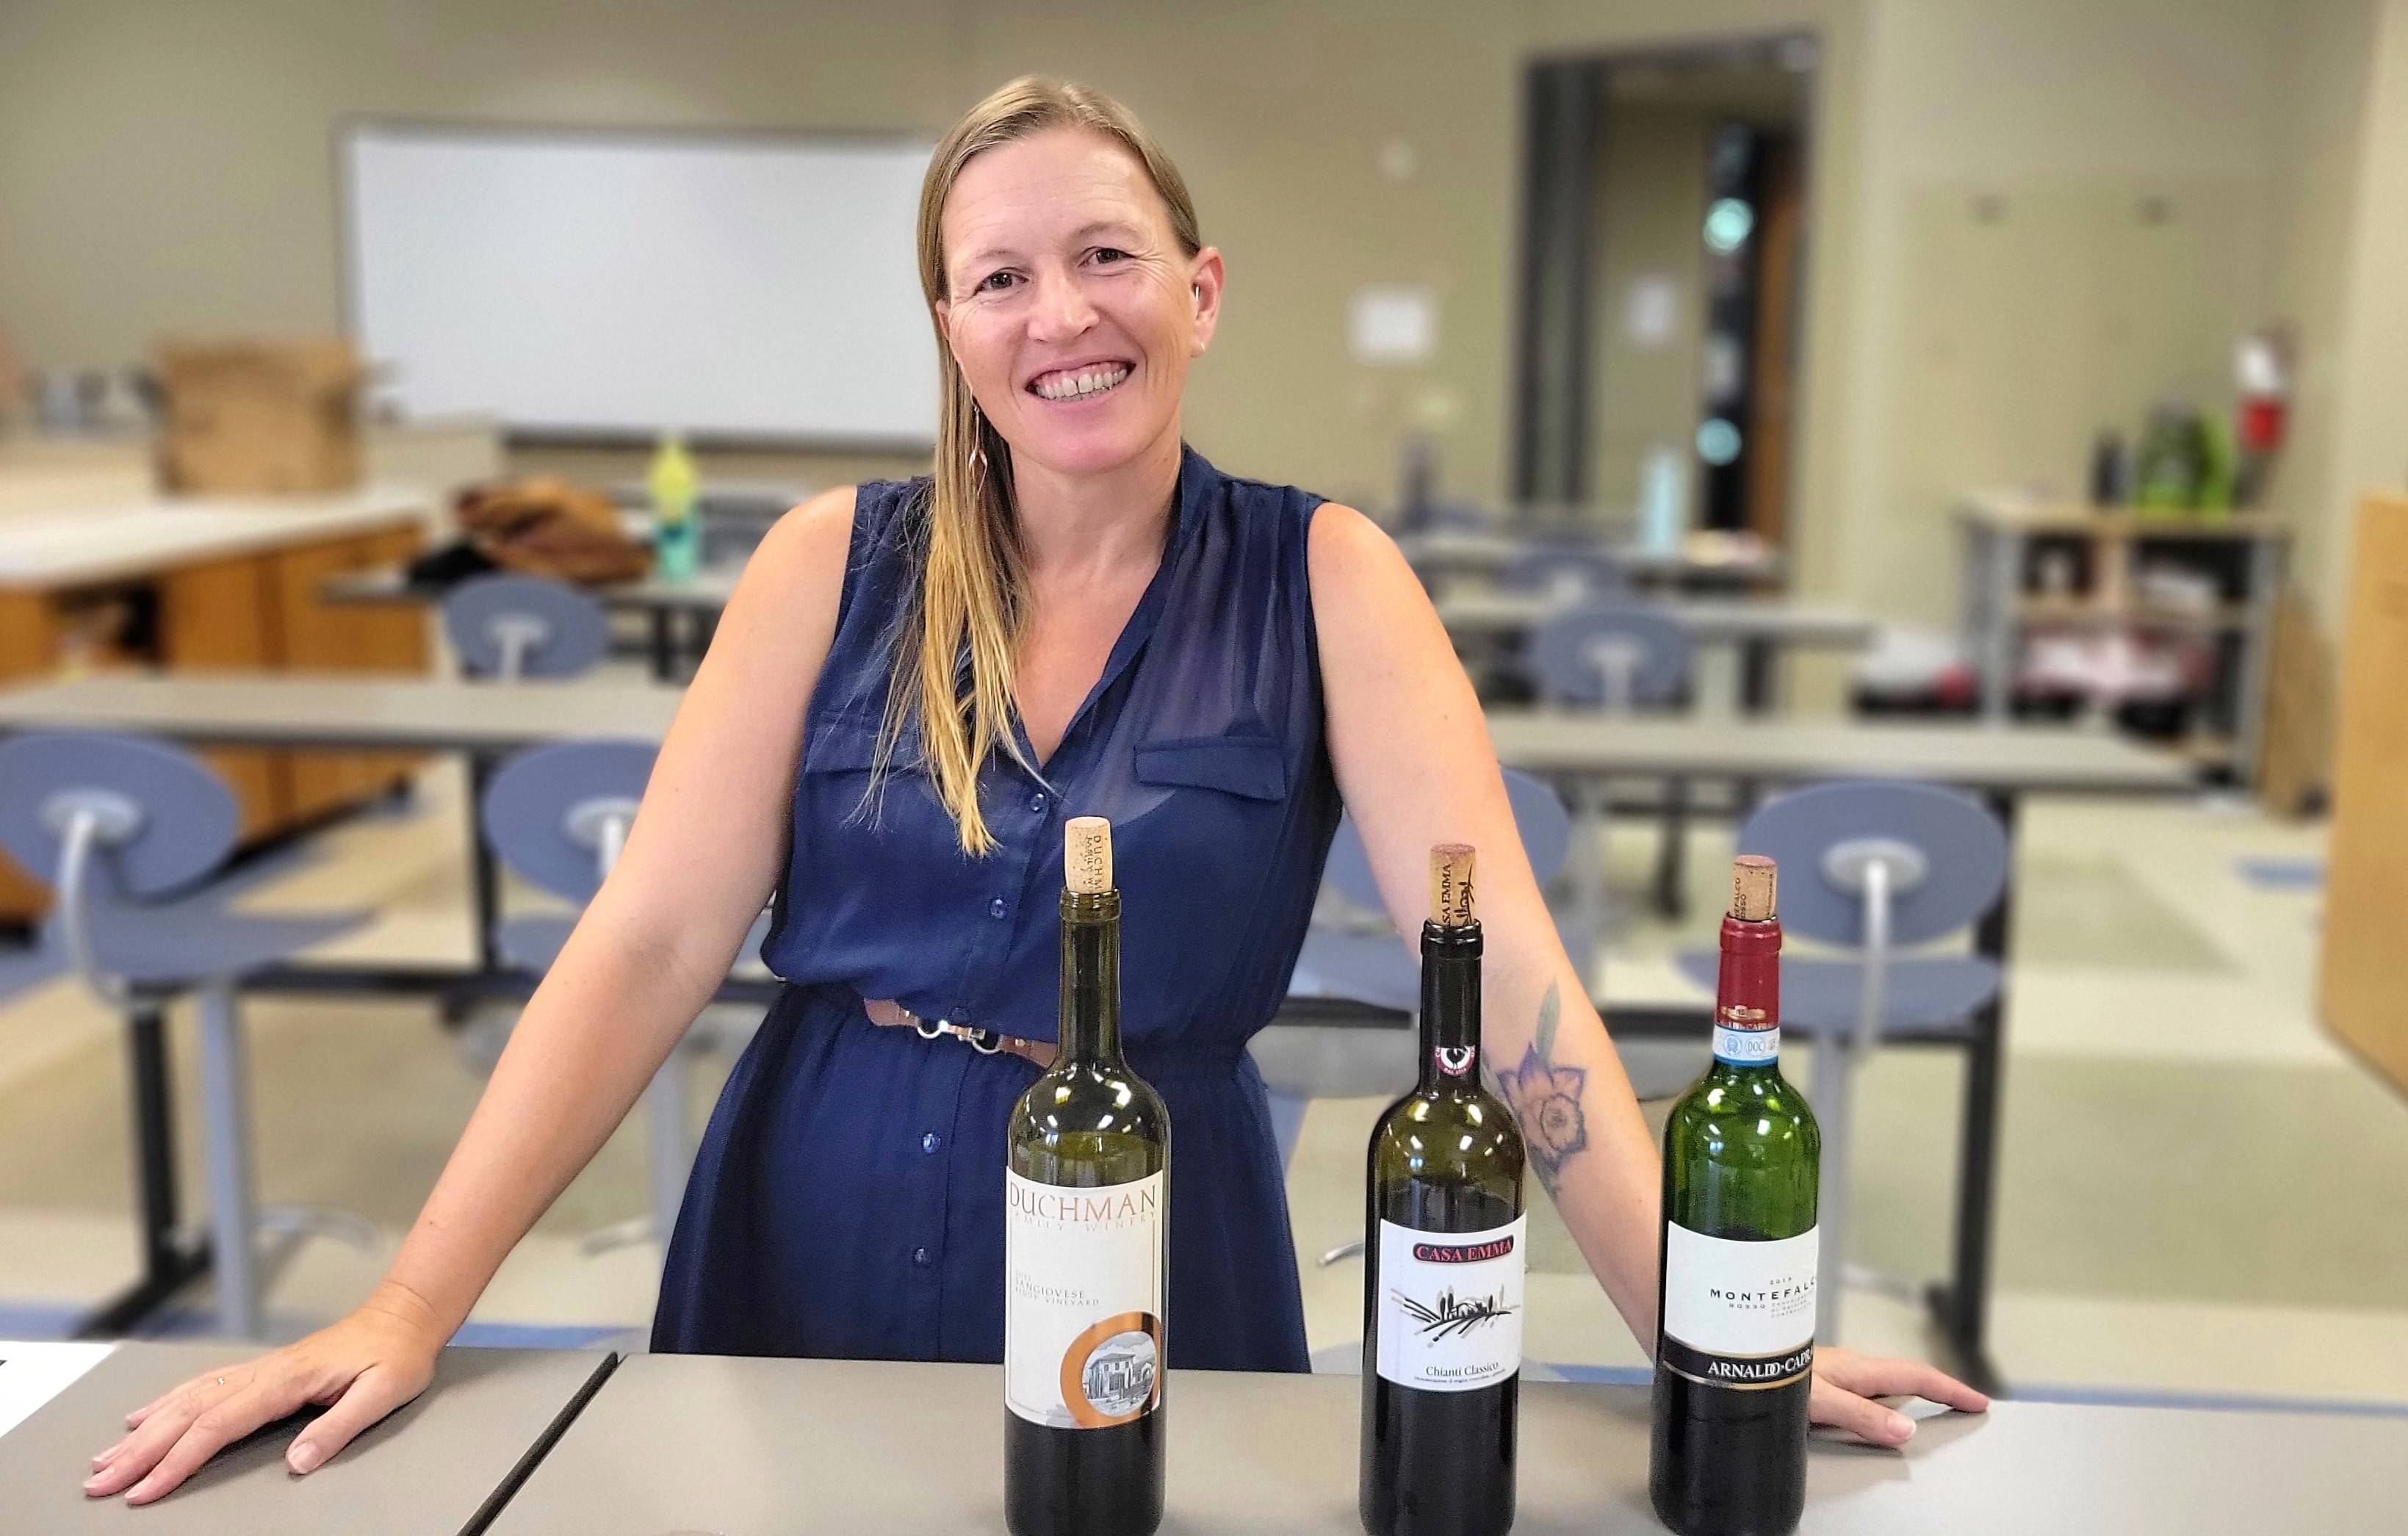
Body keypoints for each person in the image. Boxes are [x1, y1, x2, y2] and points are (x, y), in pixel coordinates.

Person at [84, 76, 1983, 1506]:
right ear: (949, 327)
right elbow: (651, 935)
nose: (1058, 313)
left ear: (1200, 287)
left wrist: (1699, 1328)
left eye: (1104, 255)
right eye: (998, 276)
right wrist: (411, 1296)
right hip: (814, 1201)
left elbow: (1512, 988)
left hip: (1163, 1226)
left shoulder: (1330, 581)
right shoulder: (829, 564)